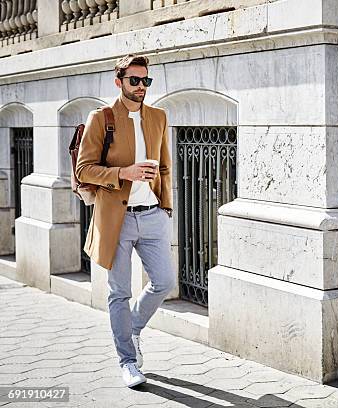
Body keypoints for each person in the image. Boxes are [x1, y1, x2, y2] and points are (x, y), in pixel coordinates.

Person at [75, 54, 175, 388]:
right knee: (119, 291)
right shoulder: (101, 118)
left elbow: (164, 166)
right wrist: (124, 173)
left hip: (152, 216)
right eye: (135, 80)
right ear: (119, 82)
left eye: (146, 81)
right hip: (116, 218)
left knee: (163, 281)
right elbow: (84, 169)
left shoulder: (159, 117)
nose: (141, 87)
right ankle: (128, 361)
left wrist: (166, 206)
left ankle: (131, 329)